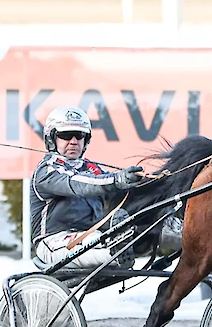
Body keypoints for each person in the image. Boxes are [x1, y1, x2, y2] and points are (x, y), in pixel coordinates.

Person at [30, 105, 143, 269]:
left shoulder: (90, 167)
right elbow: (81, 184)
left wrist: (141, 181)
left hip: (92, 234)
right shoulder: (47, 170)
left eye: (79, 135)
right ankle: (116, 250)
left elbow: (112, 184)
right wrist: (116, 179)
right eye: (66, 135)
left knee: (141, 222)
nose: (74, 141)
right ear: (51, 138)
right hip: (53, 243)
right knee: (99, 240)